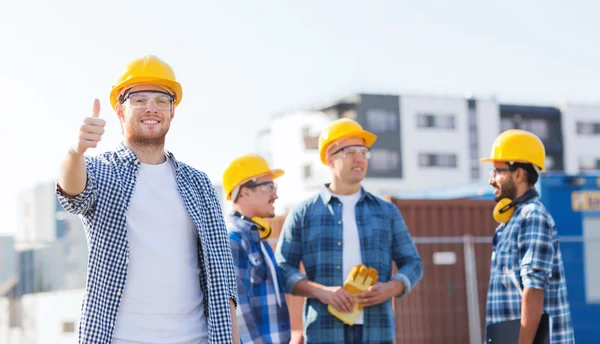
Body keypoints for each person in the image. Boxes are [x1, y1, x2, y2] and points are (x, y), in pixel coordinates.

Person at [56, 55, 239, 344]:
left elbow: (223, 277)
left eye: (161, 100)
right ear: (120, 110)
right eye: (139, 100)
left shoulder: (200, 184)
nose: (151, 108)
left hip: (196, 338)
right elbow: (72, 195)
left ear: (172, 111)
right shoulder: (101, 171)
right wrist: (75, 151)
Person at [275, 118, 423, 344]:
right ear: (328, 159)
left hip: (377, 330)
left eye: (364, 152)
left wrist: (391, 288)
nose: (360, 159)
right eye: (350, 152)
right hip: (324, 331)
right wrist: (323, 292)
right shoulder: (303, 214)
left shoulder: (386, 212)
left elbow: (413, 263)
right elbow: (283, 268)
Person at [480, 129, 575, 344]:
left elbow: (533, 289)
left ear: (519, 174)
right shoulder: (510, 222)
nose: (490, 180)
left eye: (497, 171)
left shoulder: (532, 217)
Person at [222, 154, 292, 344]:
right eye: (269, 187)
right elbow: (237, 310)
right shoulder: (233, 239)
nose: (275, 195)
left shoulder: (256, 237)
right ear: (244, 192)